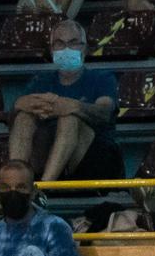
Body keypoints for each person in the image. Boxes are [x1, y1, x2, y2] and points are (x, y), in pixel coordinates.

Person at [8, 17, 123, 184]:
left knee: (70, 118)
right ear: (52, 49)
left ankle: (44, 189)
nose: (66, 48)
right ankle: (16, 184)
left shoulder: (102, 78)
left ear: (85, 48)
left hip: (92, 158)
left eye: (74, 42)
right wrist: (20, 105)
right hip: (46, 152)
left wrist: (74, 106)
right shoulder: (40, 81)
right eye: (60, 43)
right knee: (23, 117)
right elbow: (16, 113)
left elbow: (104, 112)